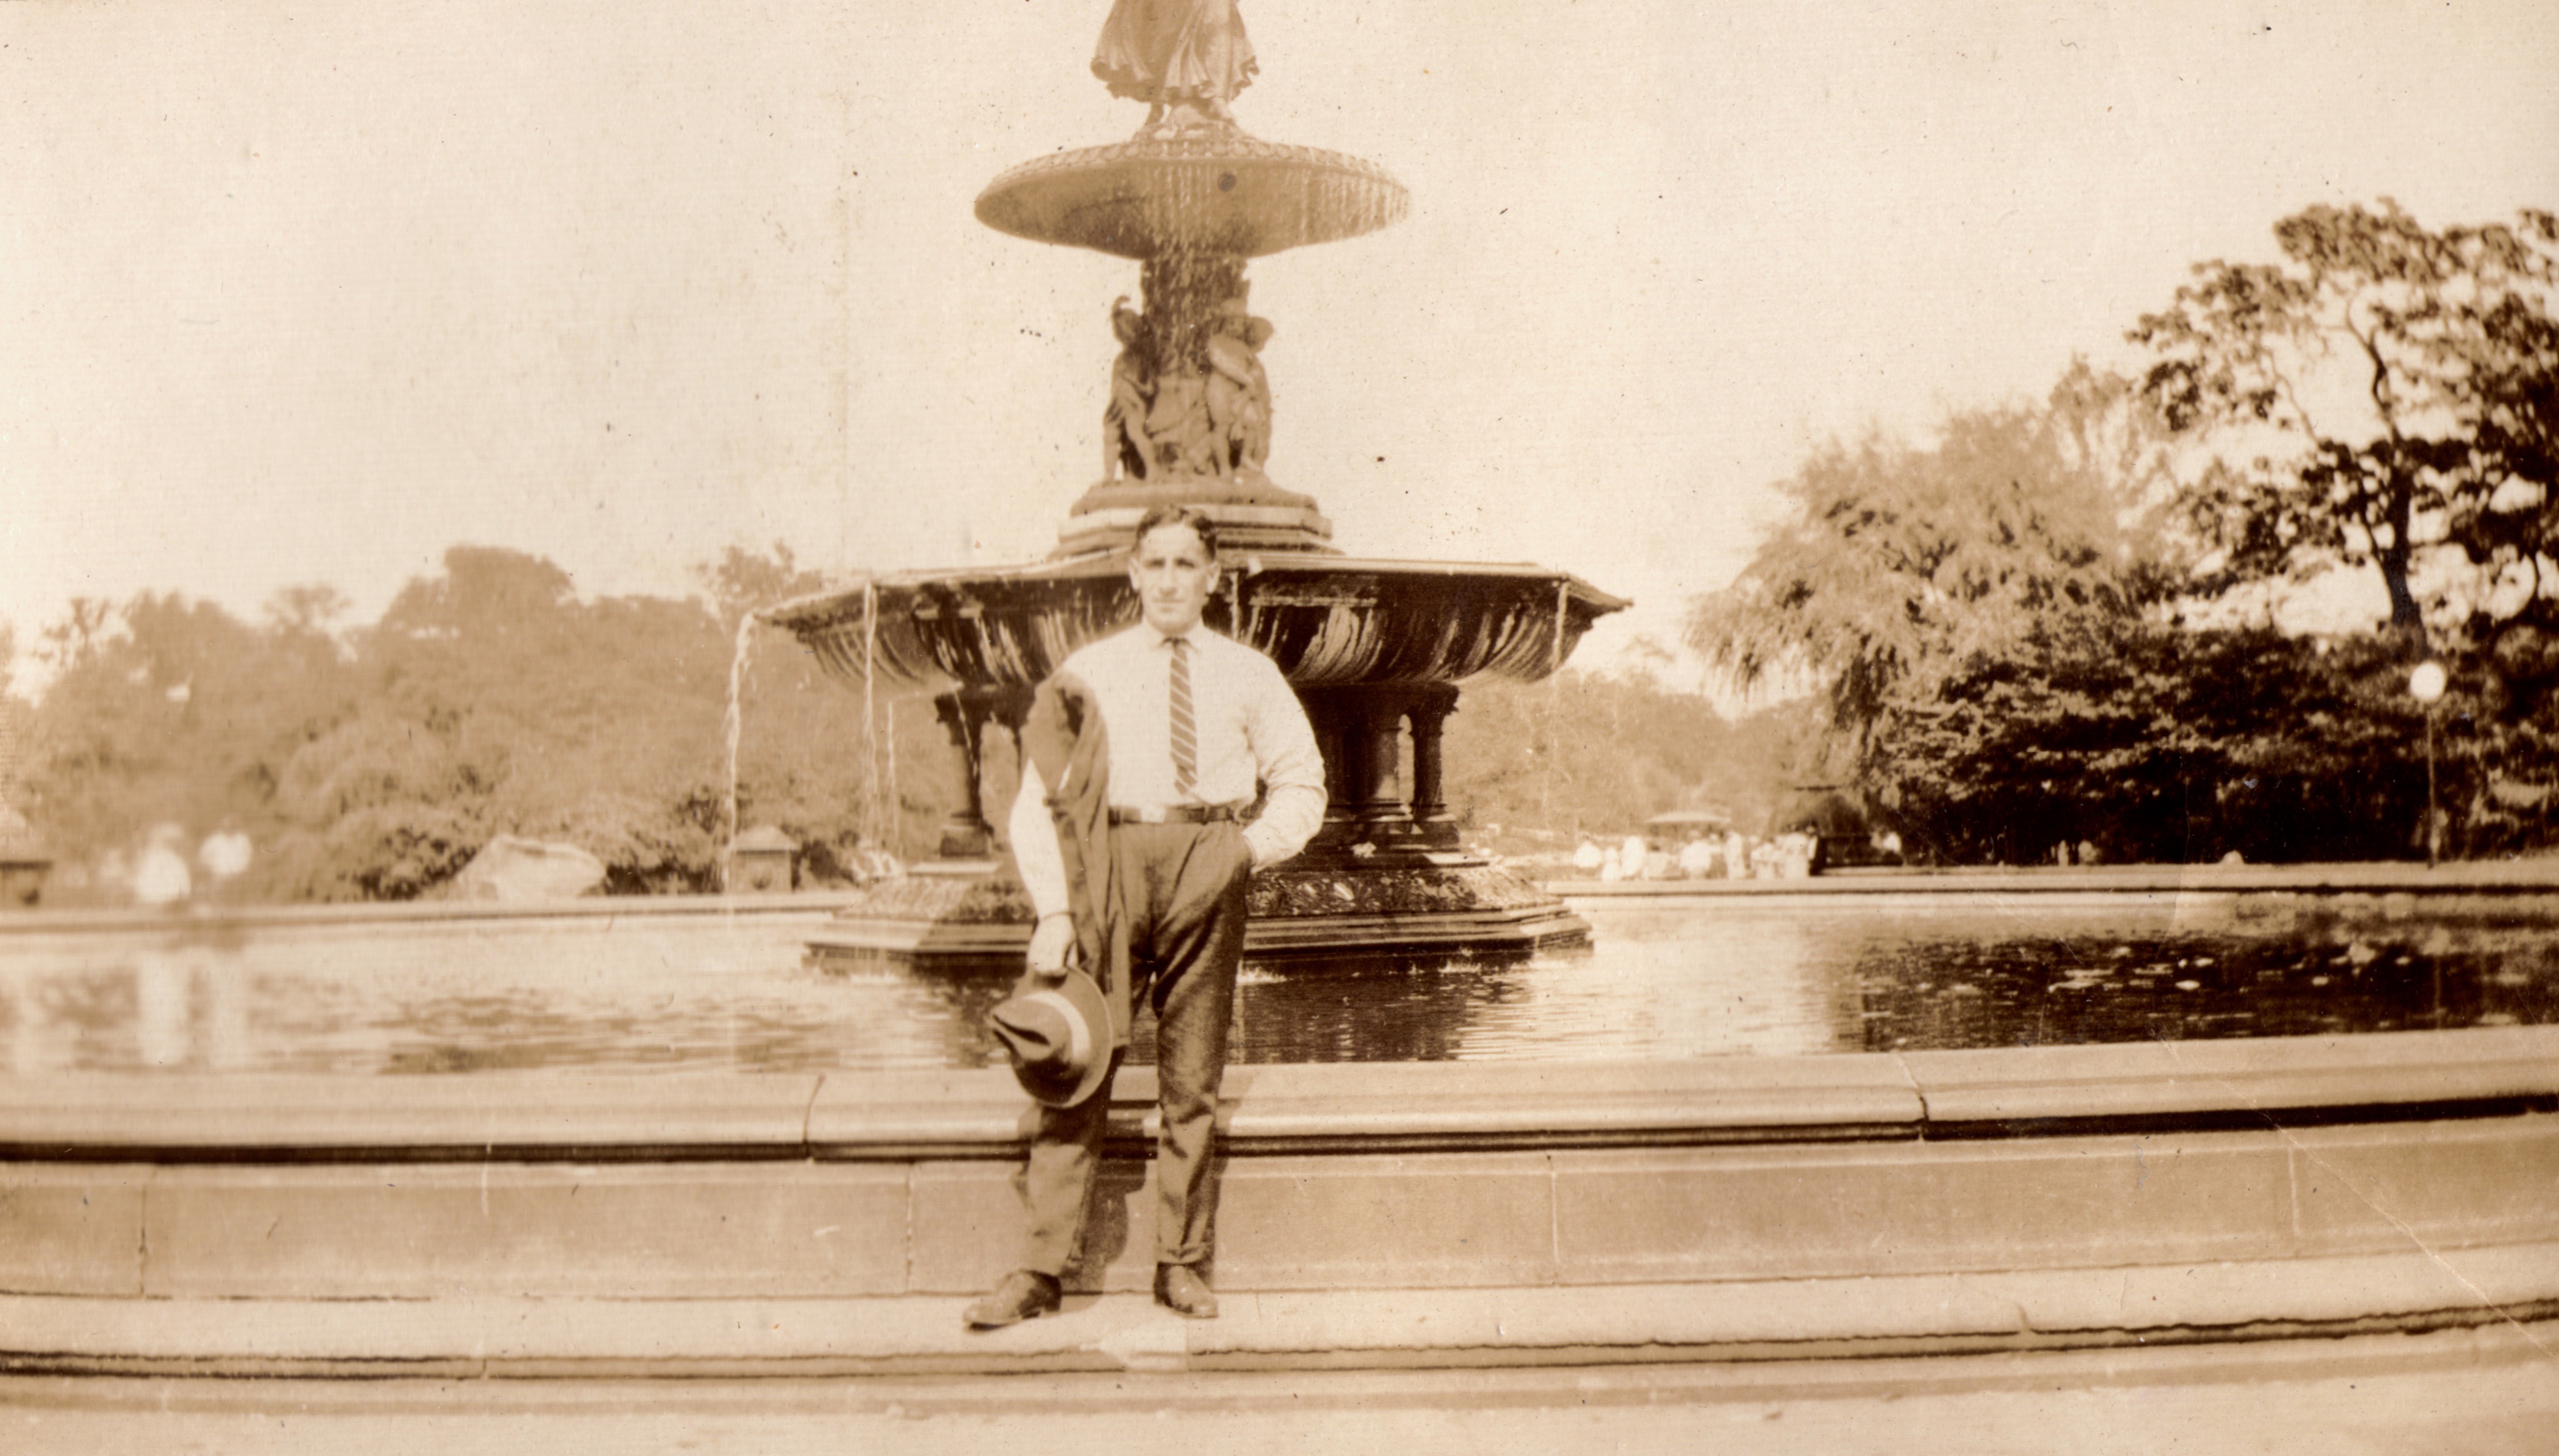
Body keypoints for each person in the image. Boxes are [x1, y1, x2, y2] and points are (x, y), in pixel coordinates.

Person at [966, 504, 1325, 1329]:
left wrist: (1244, 851)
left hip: (1207, 852)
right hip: (1109, 861)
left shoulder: (1248, 673)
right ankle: (1040, 1268)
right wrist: (1055, 905)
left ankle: (1182, 1261)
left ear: (1211, 576)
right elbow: (1036, 801)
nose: (1168, 581)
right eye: (1154, 564)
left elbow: (1303, 780)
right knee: (1074, 1063)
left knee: (1192, 1076)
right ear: (1132, 574)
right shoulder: (1088, 670)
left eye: (1184, 565)